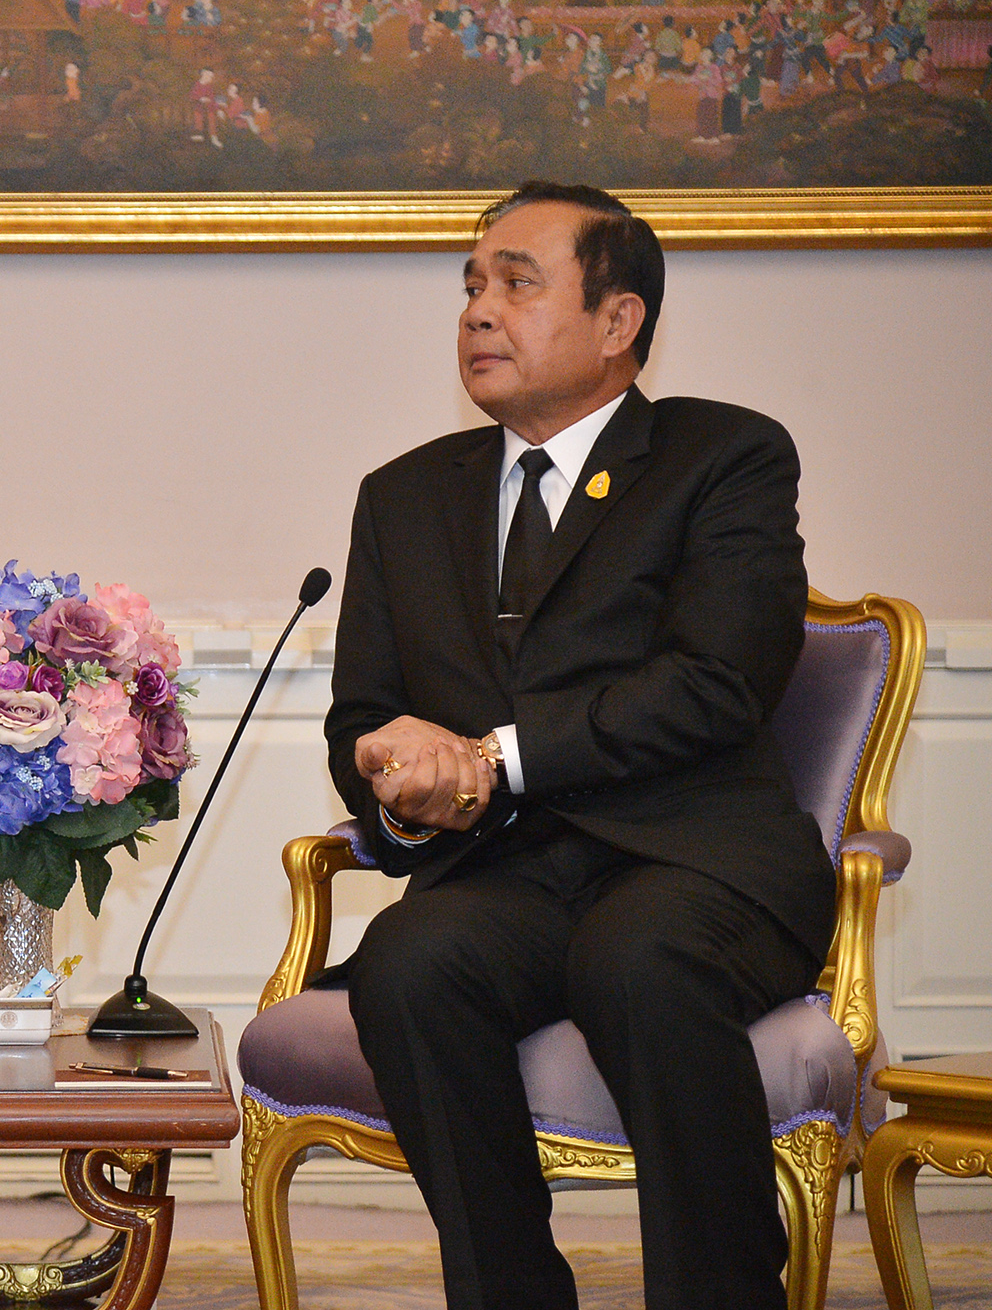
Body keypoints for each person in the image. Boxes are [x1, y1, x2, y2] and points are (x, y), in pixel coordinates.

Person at [324, 181, 831, 1310]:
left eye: (514, 281)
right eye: (467, 284)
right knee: (410, 963)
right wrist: (401, 781)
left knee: (636, 955)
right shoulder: (402, 497)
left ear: (618, 324)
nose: (475, 310)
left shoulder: (723, 457)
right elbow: (361, 715)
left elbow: (714, 683)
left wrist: (495, 755)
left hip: (693, 862)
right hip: (512, 871)